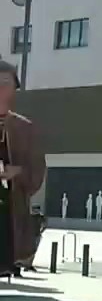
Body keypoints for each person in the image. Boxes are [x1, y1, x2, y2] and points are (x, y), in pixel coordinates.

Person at [0, 60, 46, 279]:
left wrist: (17, 172)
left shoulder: (24, 128)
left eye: (5, 83)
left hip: (9, 204)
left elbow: (37, 168)